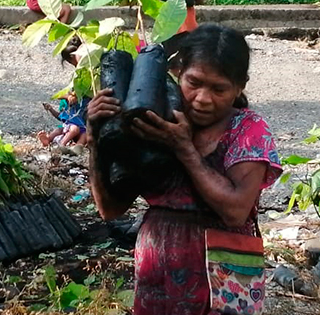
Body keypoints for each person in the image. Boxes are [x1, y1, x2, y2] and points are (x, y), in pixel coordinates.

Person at [86, 24, 282, 314]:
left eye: (219, 89)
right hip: (158, 267)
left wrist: (184, 149)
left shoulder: (248, 129)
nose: (203, 99)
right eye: (194, 83)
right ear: (178, 72)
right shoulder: (152, 119)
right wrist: (96, 138)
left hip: (225, 272)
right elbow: (110, 209)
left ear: (240, 86)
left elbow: (235, 211)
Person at [150, 0, 206, 64]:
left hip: (189, 26)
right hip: (170, 27)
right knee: (172, 60)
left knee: (191, 58)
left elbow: (200, 0)